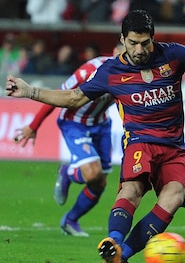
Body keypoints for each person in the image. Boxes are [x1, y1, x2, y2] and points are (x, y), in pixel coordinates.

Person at [6, 9, 185, 263]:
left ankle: (119, 255)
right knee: (132, 190)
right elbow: (74, 98)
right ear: (122, 39)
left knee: (175, 197)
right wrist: (30, 91)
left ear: (152, 39)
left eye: (145, 42)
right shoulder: (110, 71)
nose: (139, 49)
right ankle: (112, 240)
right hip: (139, 143)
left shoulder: (174, 55)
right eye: (133, 43)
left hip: (174, 148)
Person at [14, 44, 122, 237]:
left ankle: (70, 220)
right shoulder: (89, 71)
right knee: (92, 173)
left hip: (101, 125)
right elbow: (58, 95)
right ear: (114, 52)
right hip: (75, 123)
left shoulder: (133, 76)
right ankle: (68, 171)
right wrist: (34, 125)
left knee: (100, 183)